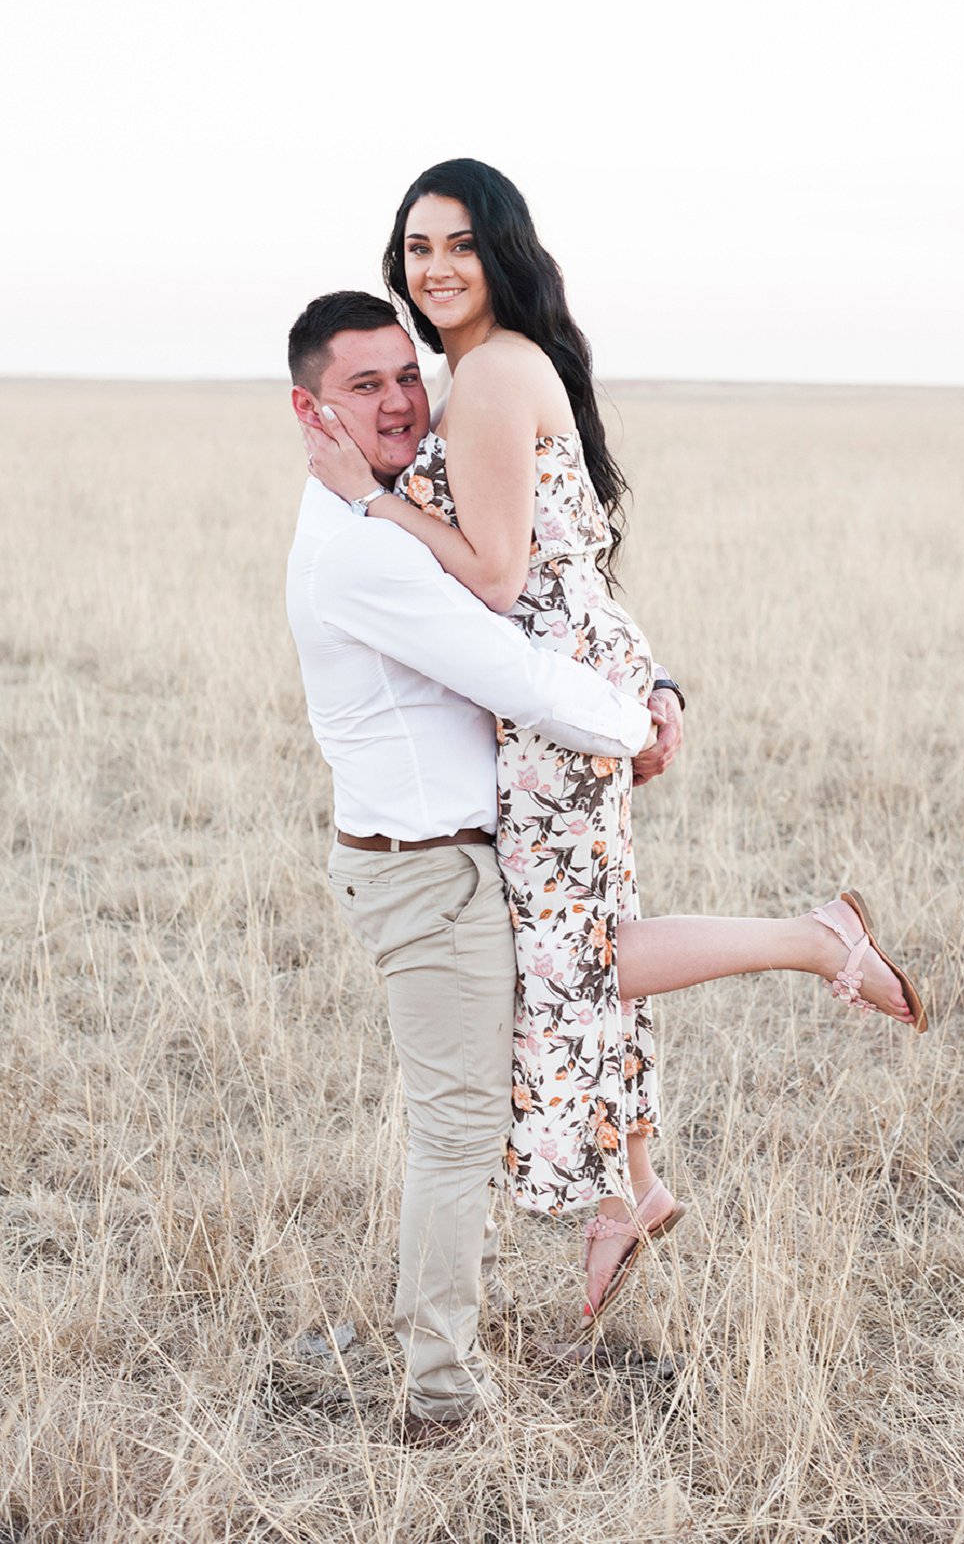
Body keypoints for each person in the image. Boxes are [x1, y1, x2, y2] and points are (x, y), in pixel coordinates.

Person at [305, 159, 928, 1336]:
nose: (435, 268)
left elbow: (495, 575)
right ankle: (631, 1189)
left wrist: (367, 500)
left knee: (572, 953)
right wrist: (648, 677)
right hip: (567, 687)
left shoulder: (489, 378)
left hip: (549, 706)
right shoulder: (499, 368)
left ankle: (815, 939)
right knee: (579, 936)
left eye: (459, 246)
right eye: (418, 246)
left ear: (501, 252)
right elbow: (568, 564)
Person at [285, 290, 662, 1442]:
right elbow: (517, 671)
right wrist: (637, 725)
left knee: (466, 1128)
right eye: (364, 386)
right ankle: (440, 1396)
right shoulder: (360, 551)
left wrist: (656, 686)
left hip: (449, 866)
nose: (400, 400)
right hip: (430, 878)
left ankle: (441, 1341)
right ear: (310, 409)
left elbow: (550, 610)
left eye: (407, 374)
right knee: (454, 1140)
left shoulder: (390, 514)